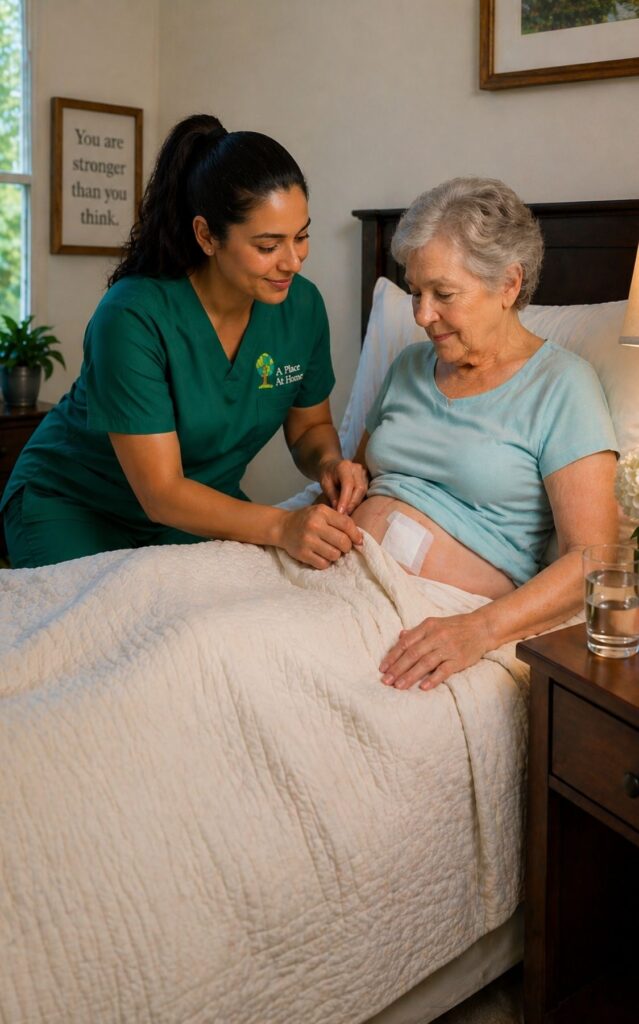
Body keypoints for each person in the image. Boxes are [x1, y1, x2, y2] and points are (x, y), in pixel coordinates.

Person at [2, 114, 367, 569]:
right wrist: (280, 526)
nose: (292, 261)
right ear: (207, 236)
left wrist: (329, 463)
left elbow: (310, 428)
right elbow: (161, 491)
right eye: (269, 246)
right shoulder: (133, 315)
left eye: (302, 236)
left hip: (200, 510)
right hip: (76, 505)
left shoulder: (302, 307)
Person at [349, 177, 618, 690]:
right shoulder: (408, 366)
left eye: (443, 294)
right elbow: (360, 472)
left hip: (446, 614)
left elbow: (592, 558)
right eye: (415, 294)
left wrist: (478, 631)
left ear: (508, 285)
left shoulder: (562, 387)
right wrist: (343, 483)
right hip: (344, 574)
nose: (423, 316)